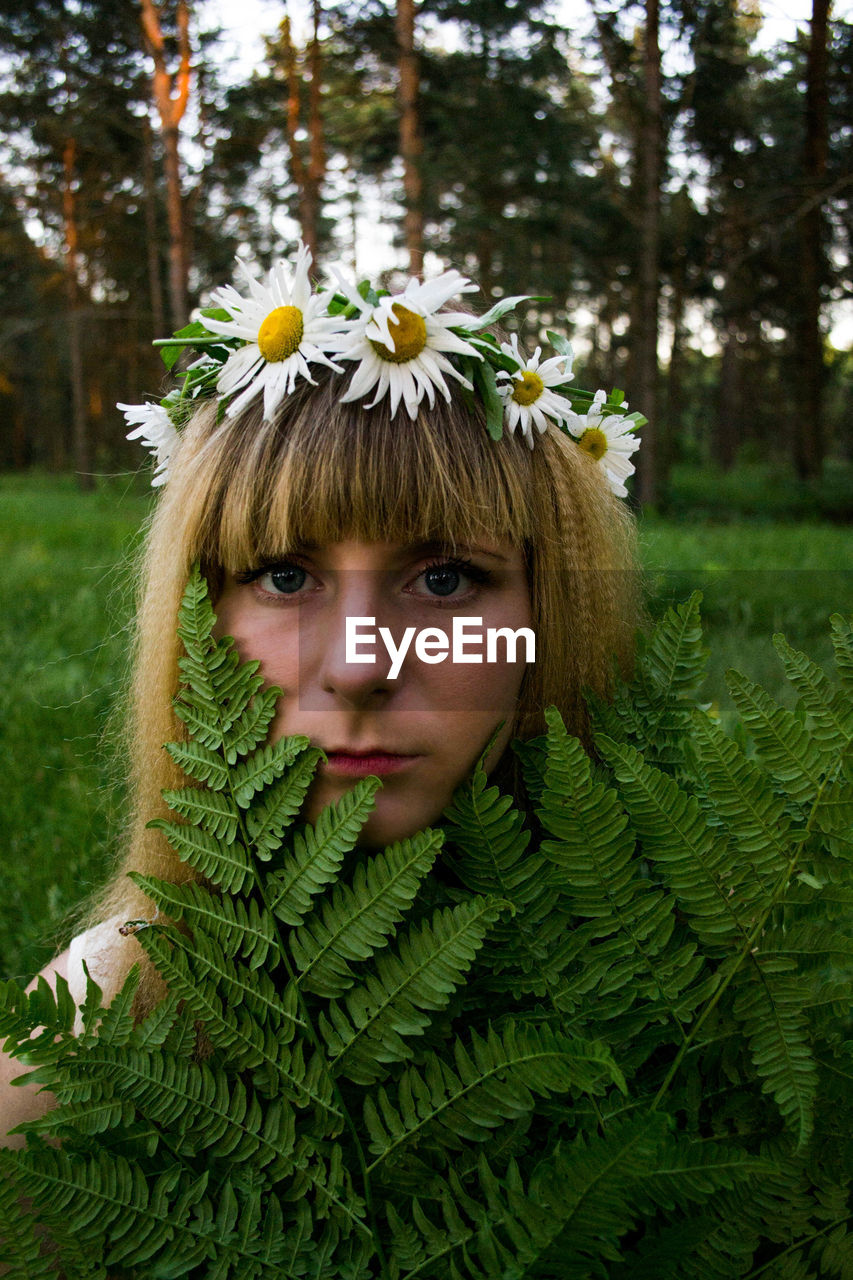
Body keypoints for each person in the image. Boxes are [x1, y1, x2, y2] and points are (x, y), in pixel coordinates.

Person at [0, 248, 641, 1146]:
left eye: (447, 578)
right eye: (284, 575)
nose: (357, 665)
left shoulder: (706, 987)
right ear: (195, 618)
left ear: (550, 615)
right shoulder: (80, 1056)